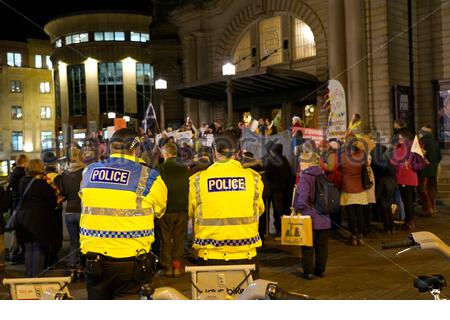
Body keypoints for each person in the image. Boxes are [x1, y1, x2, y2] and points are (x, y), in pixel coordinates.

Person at [79, 128, 168, 299]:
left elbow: (85, 199)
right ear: (136, 149)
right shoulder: (149, 176)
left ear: (110, 147)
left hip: (93, 261)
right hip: (131, 263)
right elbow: (160, 211)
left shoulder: (89, 172)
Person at [189, 131, 264, 273]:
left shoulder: (197, 181)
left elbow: (191, 213)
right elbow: (259, 210)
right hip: (246, 255)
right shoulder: (254, 179)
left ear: (213, 152)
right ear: (238, 153)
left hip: (209, 256)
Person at [15, 159, 58, 277]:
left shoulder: (22, 181)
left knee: (28, 248)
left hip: (23, 220)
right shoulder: (42, 184)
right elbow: (52, 201)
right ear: (40, 168)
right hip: (38, 221)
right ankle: (36, 277)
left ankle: (29, 276)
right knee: (39, 248)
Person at [294, 146, 330, 280]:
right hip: (324, 217)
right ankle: (320, 270)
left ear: (308, 163)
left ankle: (308, 271)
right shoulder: (322, 174)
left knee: (308, 245)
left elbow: (302, 199)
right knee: (322, 246)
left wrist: (296, 208)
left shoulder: (305, 176)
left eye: (301, 162)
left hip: (309, 218)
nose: (300, 164)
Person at [157, 143, 189, 277]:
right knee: (179, 240)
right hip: (182, 209)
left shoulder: (161, 168)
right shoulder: (185, 168)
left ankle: (167, 268)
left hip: (166, 210)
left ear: (166, 154)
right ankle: (177, 267)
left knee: (166, 240)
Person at [61, 147, 86, 280]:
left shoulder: (65, 173)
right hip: (82, 211)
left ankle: (72, 266)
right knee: (83, 241)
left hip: (69, 212)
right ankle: (82, 266)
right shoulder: (84, 171)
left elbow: (63, 192)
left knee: (73, 241)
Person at [339, 135, 368, 246]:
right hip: (360, 186)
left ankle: (353, 235)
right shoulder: (362, 154)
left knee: (351, 213)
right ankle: (360, 235)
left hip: (347, 186)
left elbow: (338, 168)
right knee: (360, 213)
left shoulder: (342, 155)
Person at [263, 143, 292, 238]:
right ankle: (282, 230)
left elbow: (268, 173)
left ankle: (279, 231)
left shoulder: (273, 160)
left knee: (278, 210)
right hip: (284, 189)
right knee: (281, 209)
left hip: (275, 189)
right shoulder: (285, 160)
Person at [391, 130, 418, 230]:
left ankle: (408, 222)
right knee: (409, 201)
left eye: (400, 137)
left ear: (404, 138)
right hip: (412, 177)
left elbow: (393, 162)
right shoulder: (412, 147)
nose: (398, 139)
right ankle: (410, 220)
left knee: (407, 201)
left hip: (404, 178)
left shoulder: (402, 148)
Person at [42, 151, 64, 266]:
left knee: (47, 233)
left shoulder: (41, 176)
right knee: (56, 234)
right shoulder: (57, 177)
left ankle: (47, 258)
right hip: (56, 209)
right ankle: (54, 257)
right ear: (55, 163)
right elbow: (62, 192)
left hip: (44, 210)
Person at [8, 154, 28, 264]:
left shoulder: (12, 175)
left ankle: (13, 254)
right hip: (24, 207)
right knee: (24, 231)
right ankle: (23, 253)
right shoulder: (25, 175)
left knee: (15, 232)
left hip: (15, 205)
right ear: (25, 162)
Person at [418, 126, 442, 217]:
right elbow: (439, 157)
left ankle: (428, 209)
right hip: (433, 170)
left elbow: (418, 156)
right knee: (432, 189)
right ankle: (433, 207)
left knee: (423, 190)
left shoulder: (421, 143)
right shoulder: (435, 143)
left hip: (423, 171)